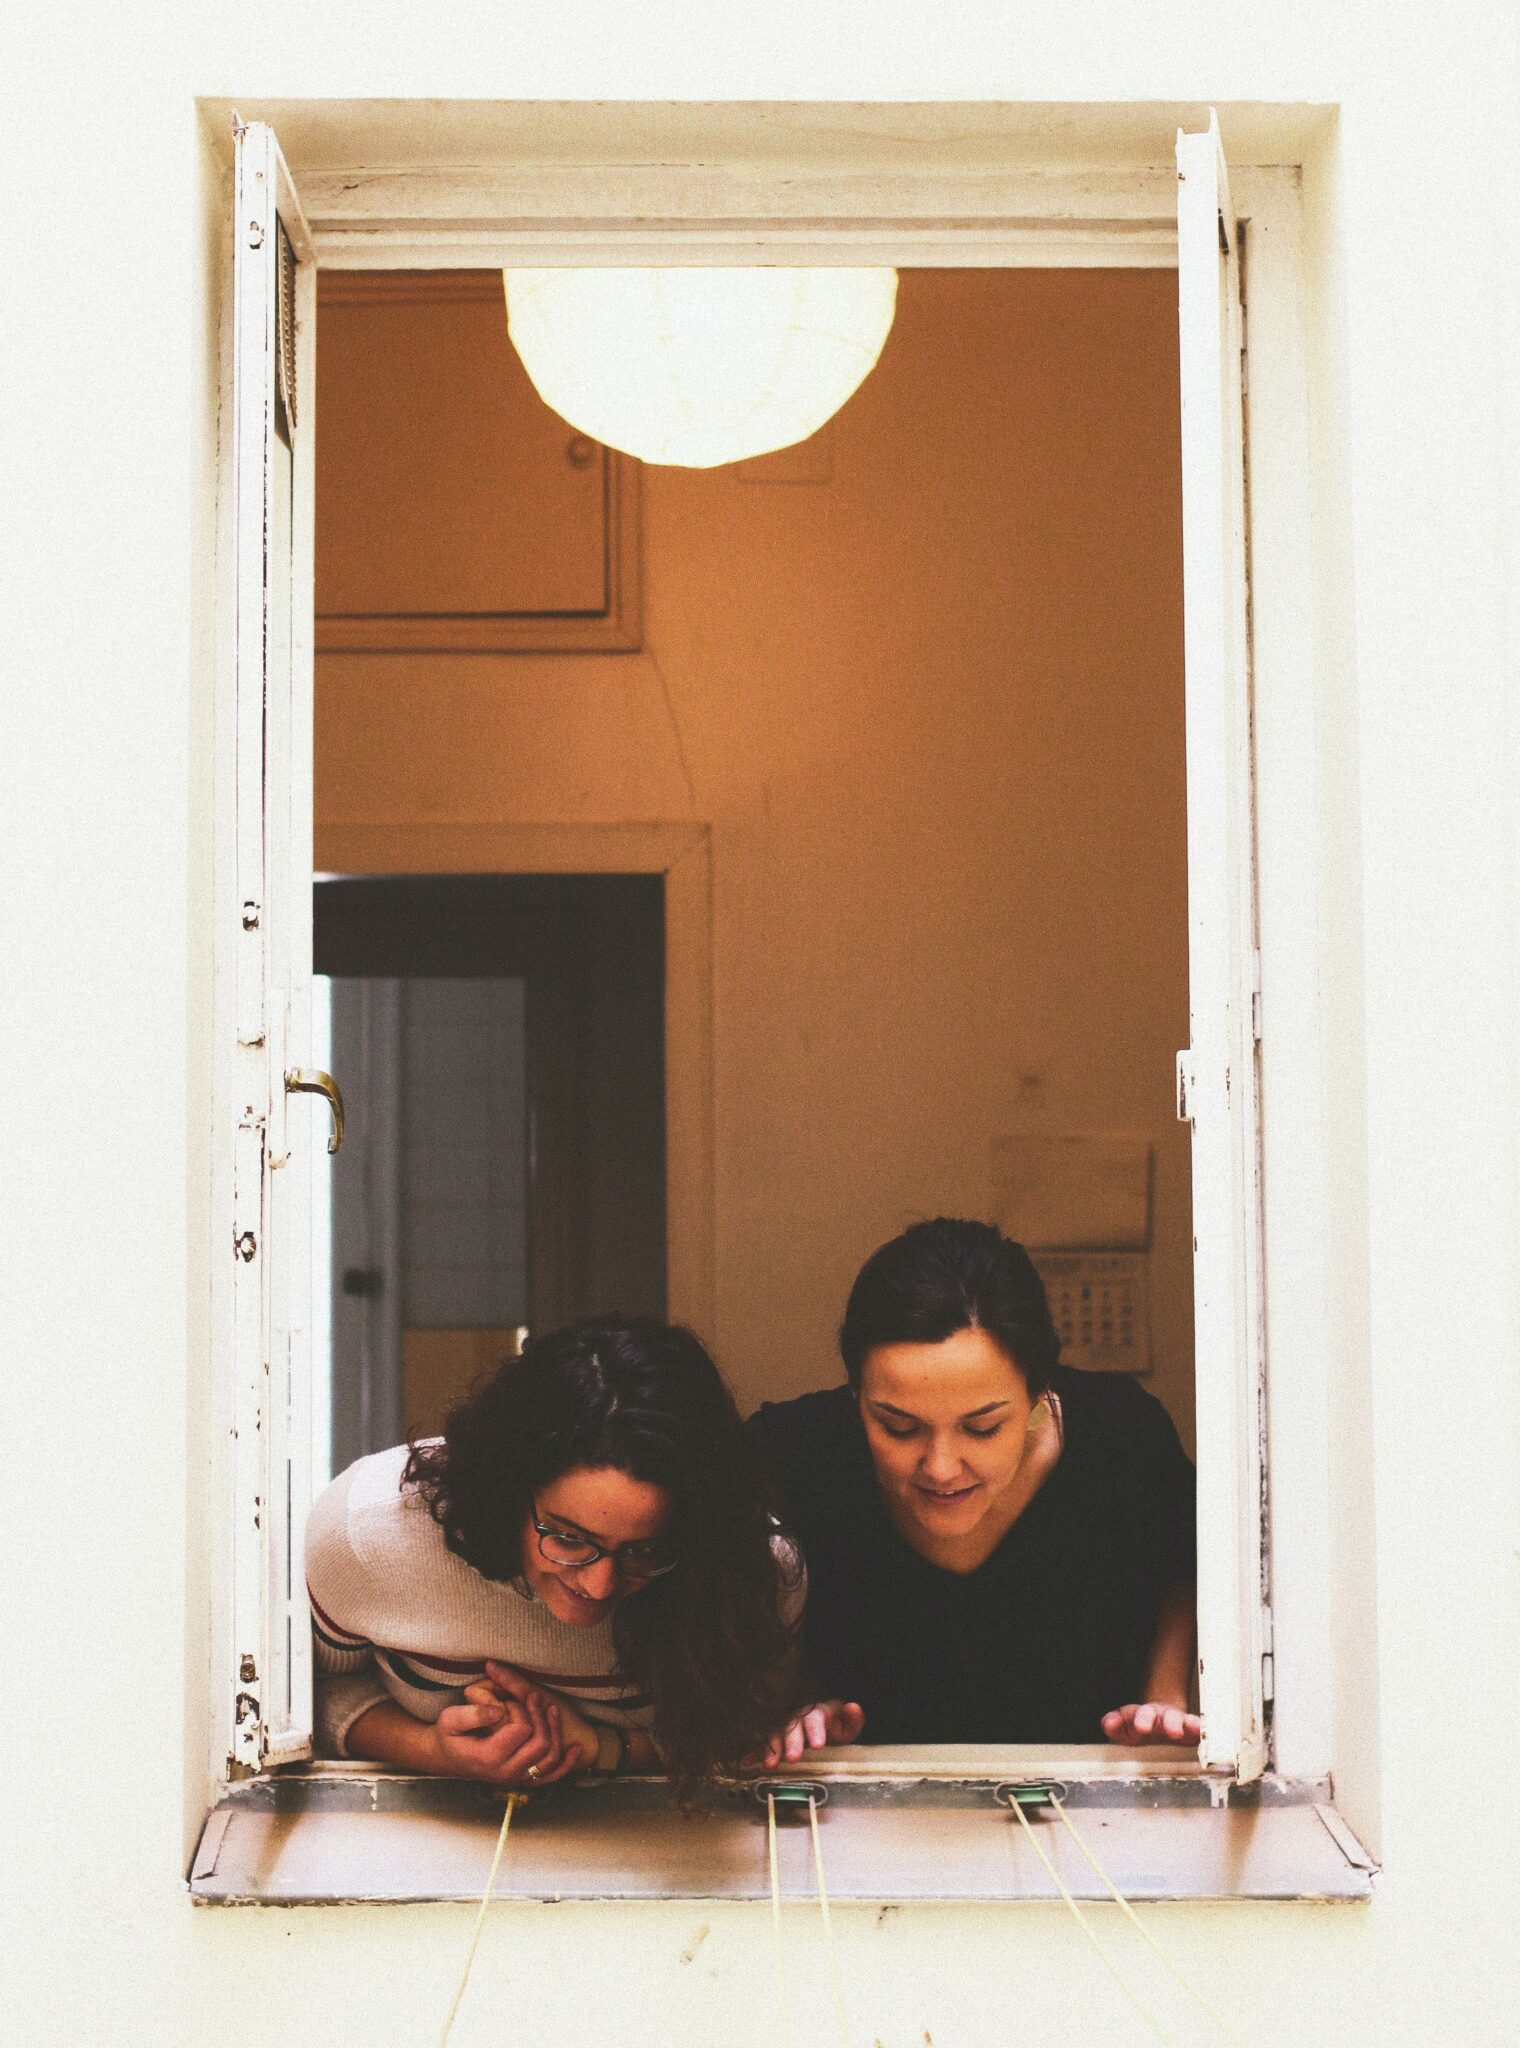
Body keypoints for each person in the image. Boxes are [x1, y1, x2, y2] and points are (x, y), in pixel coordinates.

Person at [307, 1314, 813, 1802]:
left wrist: (598, 1748)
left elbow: (746, 1727)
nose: (599, 1586)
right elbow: (302, 1697)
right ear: (506, 1489)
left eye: (645, 1550)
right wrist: (431, 1750)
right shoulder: (367, 1530)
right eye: (569, 1538)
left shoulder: (755, 1569)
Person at [747, 1219, 1201, 1748]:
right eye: (899, 1426)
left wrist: (1163, 1699)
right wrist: (790, 1708)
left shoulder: (1121, 1441)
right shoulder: (793, 1454)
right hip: (851, 1816)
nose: (941, 1467)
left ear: (1036, 1395)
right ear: (855, 1396)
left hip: (1089, 1808)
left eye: (982, 1427)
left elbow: (1184, 1566)